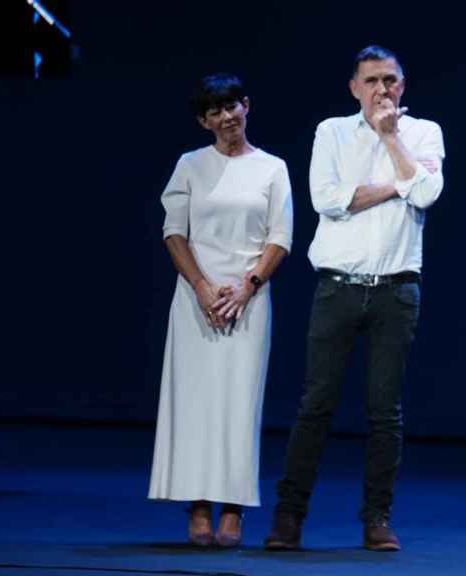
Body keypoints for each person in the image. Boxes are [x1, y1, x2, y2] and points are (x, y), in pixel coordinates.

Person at [264, 45, 444, 552]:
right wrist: (398, 184)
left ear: (402, 85)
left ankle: (377, 519)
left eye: (390, 80)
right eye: (371, 81)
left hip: (396, 290)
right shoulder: (332, 131)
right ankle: (289, 516)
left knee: (385, 412)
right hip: (338, 287)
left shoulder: (423, 133)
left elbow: (427, 194)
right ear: (354, 87)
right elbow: (327, 200)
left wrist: (391, 142)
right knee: (314, 406)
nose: (381, 90)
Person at [148, 73, 293, 548]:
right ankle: (197, 507)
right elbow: (174, 232)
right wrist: (203, 288)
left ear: (246, 106)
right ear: (203, 121)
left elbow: (280, 238)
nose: (226, 117)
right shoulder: (190, 165)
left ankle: (232, 509)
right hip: (196, 301)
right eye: (215, 111)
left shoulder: (272, 168)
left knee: (238, 403)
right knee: (193, 404)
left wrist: (246, 287)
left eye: (232, 106)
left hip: (248, 301)